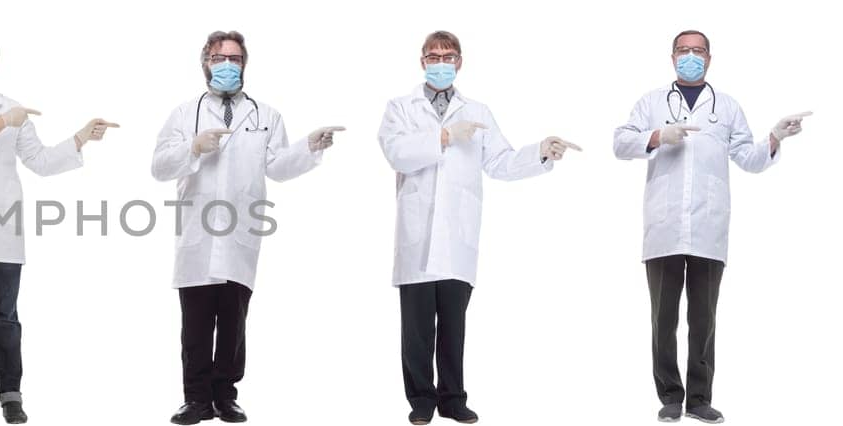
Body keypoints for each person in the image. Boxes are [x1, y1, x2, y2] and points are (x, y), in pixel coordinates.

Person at [377, 30, 581, 426]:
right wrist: (442, 136)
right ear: (422, 62)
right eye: (433, 56)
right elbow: (397, 154)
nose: (441, 62)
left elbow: (501, 162)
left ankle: (453, 399)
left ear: (459, 62)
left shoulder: (479, 112)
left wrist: (540, 151)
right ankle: (421, 401)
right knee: (417, 331)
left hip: (458, 237)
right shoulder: (400, 108)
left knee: (453, 327)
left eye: (448, 56)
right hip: (417, 238)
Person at [611, 30, 811, 425]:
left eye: (697, 51)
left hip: (708, 226)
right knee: (663, 318)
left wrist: (774, 136)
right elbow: (620, 144)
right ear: (672, 57)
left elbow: (749, 159)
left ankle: (700, 399)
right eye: (683, 51)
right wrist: (656, 136)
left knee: (703, 319)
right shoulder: (651, 102)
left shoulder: (729, 108)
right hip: (664, 227)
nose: (690, 56)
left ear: (709, 58)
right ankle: (670, 397)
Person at [0, 30, 119, 425]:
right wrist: (0, 124)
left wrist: (81, 138)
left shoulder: (15, 109)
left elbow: (41, 162)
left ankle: (11, 397)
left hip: (3, 231)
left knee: (6, 318)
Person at [151, 30, 342, 426]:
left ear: (244, 65)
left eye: (235, 59)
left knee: (234, 322)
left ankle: (226, 398)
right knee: (196, 324)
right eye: (220, 58)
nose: (227, 66)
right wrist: (192, 148)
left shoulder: (265, 115)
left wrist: (311, 146)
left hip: (241, 232)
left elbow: (278, 165)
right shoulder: (185, 114)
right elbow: (158, 167)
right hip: (198, 234)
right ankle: (196, 400)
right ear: (205, 62)